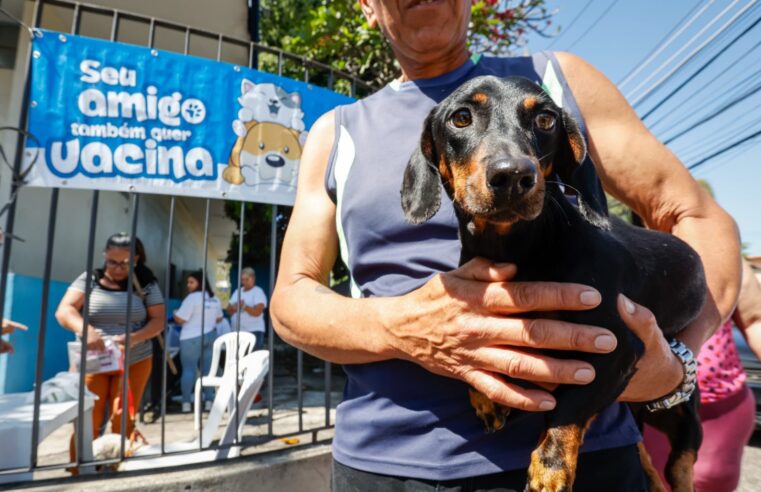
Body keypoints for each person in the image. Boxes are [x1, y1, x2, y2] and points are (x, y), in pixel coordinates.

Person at [269, 2, 741, 490]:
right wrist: (402, 327)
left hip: (585, 465)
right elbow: (290, 302)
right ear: (367, 6)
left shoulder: (557, 83)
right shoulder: (335, 133)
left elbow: (697, 216)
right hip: (381, 467)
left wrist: (676, 363)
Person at [644, 258, 761, 491]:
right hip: (651, 405)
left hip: (724, 403)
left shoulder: (725, 253)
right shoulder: (635, 247)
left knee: (712, 480)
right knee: (653, 481)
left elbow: (754, 321)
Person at [56, 233, 165, 467]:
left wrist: (135, 337)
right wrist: (87, 331)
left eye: (124, 263)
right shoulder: (90, 279)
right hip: (95, 361)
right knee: (88, 420)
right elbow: (64, 311)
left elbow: (158, 321)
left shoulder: (145, 283)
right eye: (112, 261)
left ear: (135, 259)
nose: (117, 268)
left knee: (122, 418)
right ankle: (82, 469)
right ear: (105, 255)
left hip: (134, 360)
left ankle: (120, 468)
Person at [173, 271, 224, 413]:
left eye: (192, 282)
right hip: (210, 336)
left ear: (200, 283)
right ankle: (209, 401)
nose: (188, 285)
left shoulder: (192, 298)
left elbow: (181, 319)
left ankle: (186, 403)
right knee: (208, 371)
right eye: (188, 282)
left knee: (189, 370)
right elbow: (219, 318)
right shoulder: (214, 299)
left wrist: (175, 314)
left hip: (191, 337)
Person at [227, 267, 267, 350]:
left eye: (247, 279)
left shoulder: (258, 292)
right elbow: (228, 310)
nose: (244, 282)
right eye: (242, 280)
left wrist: (244, 306)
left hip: (253, 331)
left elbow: (257, 312)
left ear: (253, 279)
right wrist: (236, 307)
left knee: (252, 359)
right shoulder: (238, 291)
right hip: (237, 331)